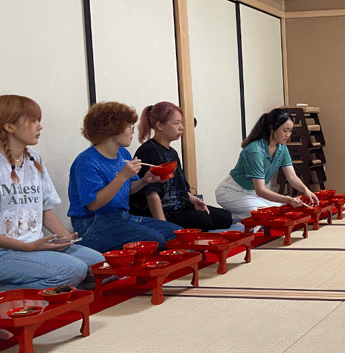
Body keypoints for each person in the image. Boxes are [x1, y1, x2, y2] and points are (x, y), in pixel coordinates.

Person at [0, 95, 103, 290]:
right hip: (6, 252)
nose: (40, 126)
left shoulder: (34, 158)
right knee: (72, 271)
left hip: (35, 247)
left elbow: (44, 209)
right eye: (33, 121)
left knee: (100, 264)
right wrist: (28, 247)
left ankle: (58, 287)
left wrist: (66, 238)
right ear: (9, 126)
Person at [68, 102, 181, 253]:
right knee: (155, 241)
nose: (132, 131)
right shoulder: (86, 161)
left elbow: (128, 190)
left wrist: (144, 181)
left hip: (121, 217)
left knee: (176, 234)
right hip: (91, 223)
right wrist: (122, 177)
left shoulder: (123, 154)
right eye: (129, 127)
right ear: (112, 129)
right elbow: (93, 204)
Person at [130, 102, 232, 231]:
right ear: (160, 126)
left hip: (180, 207)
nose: (181, 127)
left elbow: (180, 187)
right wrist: (163, 226)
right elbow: (151, 194)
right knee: (203, 221)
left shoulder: (172, 153)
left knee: (225, 217)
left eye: (181, 123)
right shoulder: (148, 151)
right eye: (176, 123)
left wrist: (194, 200)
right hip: (164, 212)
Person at [215, 108, 319, 221]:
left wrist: (305, 190)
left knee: (284, 208)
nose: (288, 135)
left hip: (252, 193)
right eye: (285, 131)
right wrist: (288, 199)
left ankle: (240, 214)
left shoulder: (282, 148)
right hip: (231, 192)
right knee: (266, 213)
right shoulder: (255, 150)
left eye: (290, 131)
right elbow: (260, 190)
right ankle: (231, 217)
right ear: (272, 129)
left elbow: (292, 177)